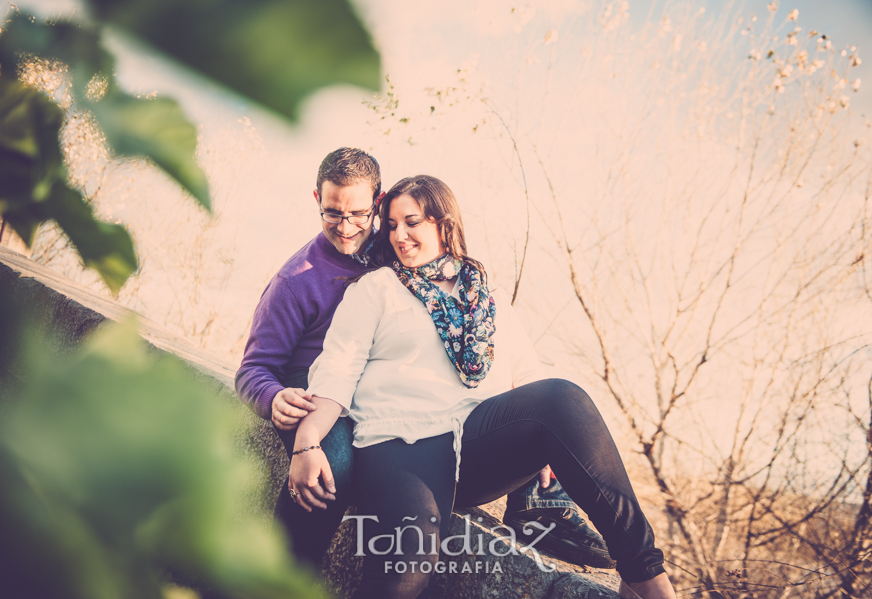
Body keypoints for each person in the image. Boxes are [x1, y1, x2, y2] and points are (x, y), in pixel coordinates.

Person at [289, 175, 678, 599]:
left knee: (562, 397)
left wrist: (549, 446)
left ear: (443, 222)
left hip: (474, 439)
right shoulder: (376, 288)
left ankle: (644, 574)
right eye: (392, 224)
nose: (399, 235)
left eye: (412, 222)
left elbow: (528, 373)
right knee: (408, 572)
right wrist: (307, 441)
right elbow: (337, 370)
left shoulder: (486, 293)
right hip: (401, 442)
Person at [234, 149, 611, 569]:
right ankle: (276, 573)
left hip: (383, 380)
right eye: (332, 213)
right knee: (334, 469)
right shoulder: (297, 279)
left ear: (377, 202)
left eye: (359, 213)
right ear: (317, 201)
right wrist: (272, 397)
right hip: (317, 385)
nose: (346, 226)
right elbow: (253, 368)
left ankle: (537, 501)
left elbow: (462, 312)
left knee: (521, 399)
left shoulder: (397, 244)